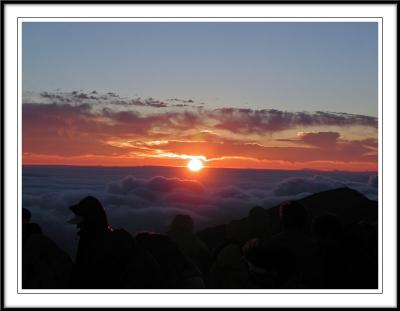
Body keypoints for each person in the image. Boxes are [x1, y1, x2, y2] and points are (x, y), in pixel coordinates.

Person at [68, 196, 133, 288]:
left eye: (81, 218)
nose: (78, 225)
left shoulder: (95, 243)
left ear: (90, 218)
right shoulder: (91, 237)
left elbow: (86, 274)